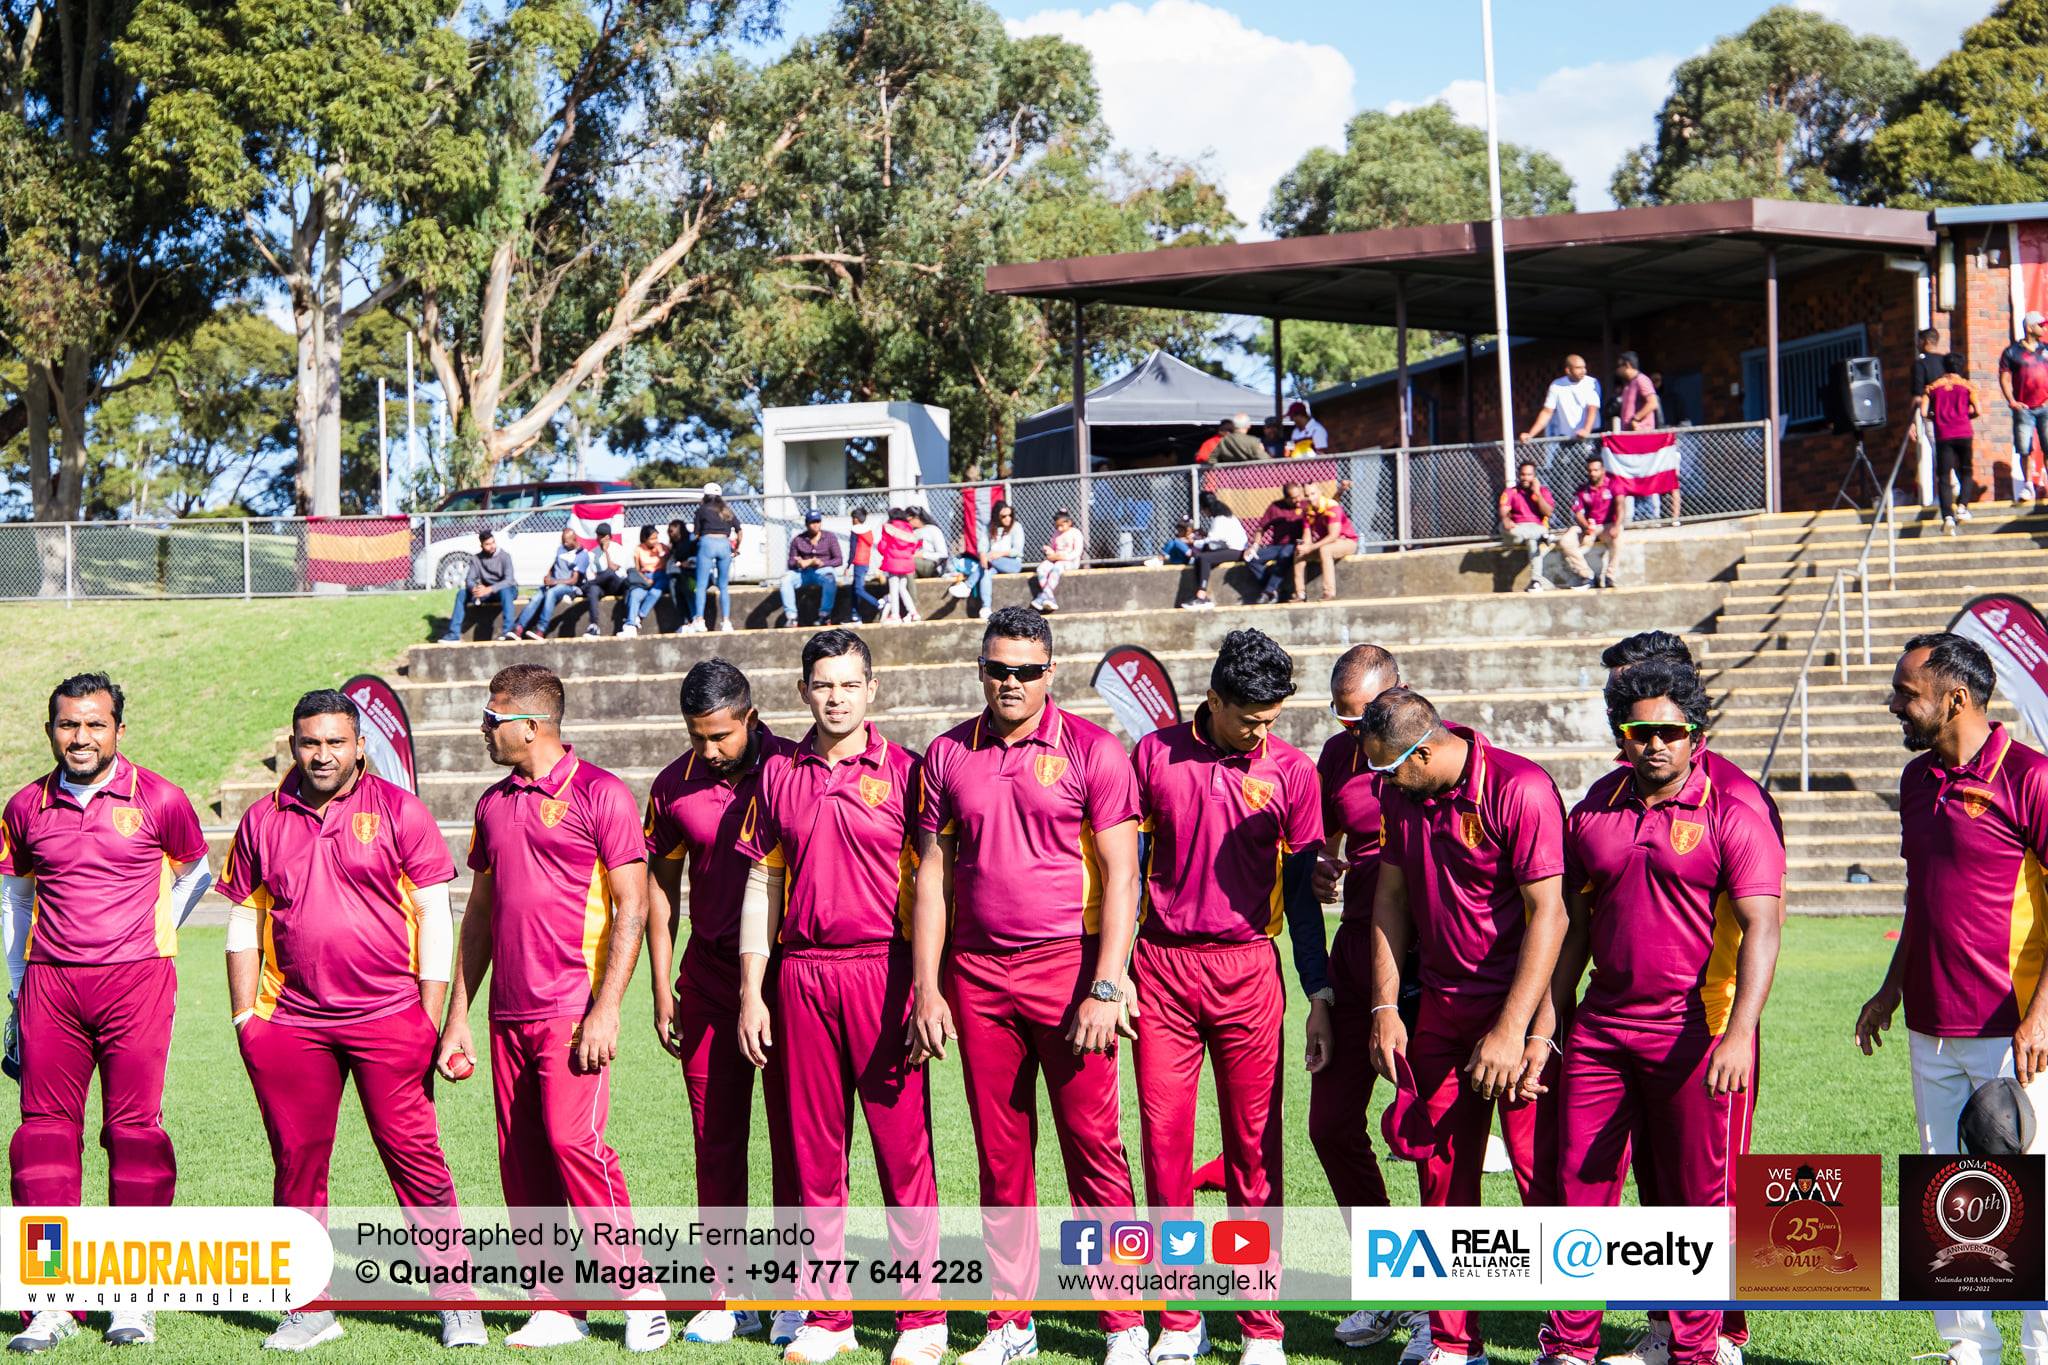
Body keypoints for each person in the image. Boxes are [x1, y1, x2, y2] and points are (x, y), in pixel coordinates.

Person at [907, 607, 1149, 1365]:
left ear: (1051, 671)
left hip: (1068, 971)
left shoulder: (1095, 750)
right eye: (996, 668)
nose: (1008, 682)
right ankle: (1011, 1322)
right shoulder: (946, 753)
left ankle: (1126, 1323)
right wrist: (927, 987)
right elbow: (932, 880)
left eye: (1024, 670)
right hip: (977, 977)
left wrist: (1106, 985)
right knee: (999, 1156)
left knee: (1094, 1151)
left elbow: (1123, 877)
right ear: (981, 667)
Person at [217, 689, 484, 1352]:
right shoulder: (260, 818)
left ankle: (458, 1302)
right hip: (291, 1023)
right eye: (310, 741)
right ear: (293, 743)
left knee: (418, 1160)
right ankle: (309, 1307)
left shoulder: (400, 810)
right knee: (296, 1166)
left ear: (361, 744)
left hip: (390, 1016)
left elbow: (434, 915)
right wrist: (245, 1018)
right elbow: (245, 920)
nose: (323, 753)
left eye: (336, 741)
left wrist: (429, 1015)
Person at [1536, 660, 1783, 1365]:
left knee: (1692, 1202)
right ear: (1624, 733)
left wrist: (1738, 1034)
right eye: (1641, 731)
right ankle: (1569, 1346)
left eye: (1670, 732)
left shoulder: (1733, 812)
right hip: (1602, 1031)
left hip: (1693, 1033)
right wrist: (1550, 1026)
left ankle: (1694, 1349)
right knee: (1579, 1189)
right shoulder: (1593, 808)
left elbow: (1764, 925)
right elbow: (1572, 928)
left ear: (1694, 733)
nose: (1655, 745)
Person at [436, 663, 668, 1352]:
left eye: (493, 715)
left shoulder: (602, 795)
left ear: (531, 726)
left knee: (576, 1143)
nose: (483, 726)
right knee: (523, 1158)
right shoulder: (491, 803)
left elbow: (633, 907)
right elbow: (478, 915)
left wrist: (607, 1008)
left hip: (571, 1010)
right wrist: (458, 1017)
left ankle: (639, 1291)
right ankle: (558, 1304)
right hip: (507, 1013)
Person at [733, 630, 942, 1365]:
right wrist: (751, 991)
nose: (835, 696)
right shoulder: (776, 775)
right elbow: (764, 882)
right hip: (800, 975)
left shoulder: (910, 773)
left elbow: (932, 891)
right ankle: (830, 1315)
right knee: (814, 1154)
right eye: (823, 684)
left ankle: (922, 1317)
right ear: (802, 691)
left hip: (881, 975)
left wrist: (926, 987)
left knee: (901, 1150)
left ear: (872, 690)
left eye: (849, 683)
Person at [1130, 629, 1330, 1365]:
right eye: (1250, 717)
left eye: (1272, 718)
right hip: (1162, 970)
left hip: (1250, 970)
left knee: (1255, 1151)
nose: (1261, 731)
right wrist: (1115, 973)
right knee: (1165, 1147)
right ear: (1212, 699)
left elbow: (1306, 898)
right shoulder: (1153, 755)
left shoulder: (1292, 772)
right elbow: (1129, 873)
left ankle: (1261, 1325)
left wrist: (1319, 989)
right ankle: (1180, 1319)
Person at [2, 674, 210, 1353]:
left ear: (119, 728)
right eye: (68, 724)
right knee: (42, 1143)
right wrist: (15, 986)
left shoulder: (161, 797)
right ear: (50, 729)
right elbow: (16, 897)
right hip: (51, 987)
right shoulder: (25, 805)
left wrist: (153, 933)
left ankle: (132, 1295)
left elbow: (197, 871)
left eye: (95, 724)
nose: (81, 737)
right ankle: (50, 1297)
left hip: (137, 986)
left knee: (136, 1137)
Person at [1855, 633, 2048, 1365]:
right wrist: (1892, 986)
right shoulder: (1914, 780)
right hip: (1930, 1027)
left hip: (2014, 1031)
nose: (1895, 703)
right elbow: (1922, 894)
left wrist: (2041, 1016)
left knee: (2031, 1202)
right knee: (1951, 1198)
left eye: (1907, 691)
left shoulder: (2031, 777)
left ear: (1954, 698)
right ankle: (1970, 1351)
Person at [1362, 689, 1567, 1365]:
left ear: (1423, 752)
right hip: (1442, 1014)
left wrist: (1514, 1031)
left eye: (1388, 771)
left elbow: (1552, 918)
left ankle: (1571, 1343)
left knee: (1547, 1180)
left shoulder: (1521, 788)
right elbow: (1390, 899)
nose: (1380, 786)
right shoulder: (1402, 795)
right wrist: (1386, 1006)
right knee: (1441, 1174)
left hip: (1519, 1012)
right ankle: (1455, 1344)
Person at [642, 660, 800, 1349]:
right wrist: (659, 985)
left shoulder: (795, 770)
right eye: (696, 736)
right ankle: (726, 1293)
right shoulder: (673, 785)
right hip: (706, 982)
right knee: (717, 1140)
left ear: (751, 717)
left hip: (790, 981)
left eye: (719, 736)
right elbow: (659, 887)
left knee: (798, 1143)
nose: (708, 750)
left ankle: (797, 1293)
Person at [1307, 647, 1426, 1356]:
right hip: (1355, 953)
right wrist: (1324, 864)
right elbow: (1328, 842)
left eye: (1365, 719)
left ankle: (1444, 1314)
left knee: (1428, 1138)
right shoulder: (1335, 754)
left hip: (1424, 964)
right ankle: (1392, 1283)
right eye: (1344, 719)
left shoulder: (1429, 746)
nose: (1356, 734)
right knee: (1330, 1125)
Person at [1922, 353, 1982, 535]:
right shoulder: (1968, 386)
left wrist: (1937, 417)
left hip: (1943, 435)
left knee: (1944, 476)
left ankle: (1947, 515)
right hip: (1963, 432)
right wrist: (1965, 415)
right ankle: (1963, 507)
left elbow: (1924, 412)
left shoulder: (1932, 387)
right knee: (1966, 471)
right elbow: (1978, 410)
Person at [1614, 352, 1671, 524]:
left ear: (1628, 365)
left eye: (1620, 366)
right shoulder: (1628, 385)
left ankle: (1653, 516)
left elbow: (1652, 402)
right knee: (1629, 478)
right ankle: (1629, 518)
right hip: (1629, 441)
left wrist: (1636, 419)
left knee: (1648, 476)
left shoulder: (1641, 380)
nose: (1618, 370)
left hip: (1642, 438)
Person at [2001, 311, 2048, 503]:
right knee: (2024, 447)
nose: (2043, 328)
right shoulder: (2012, 352)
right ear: (2029, 328)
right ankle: (2028, 485)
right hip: (2024, 408)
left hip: (2045, 406)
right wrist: (2011, 400)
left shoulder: (2046, 349)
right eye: (2040, 325)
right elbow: (2004, 377)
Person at [684, 483, 742, 635]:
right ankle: (726, 621)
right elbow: (739, 531)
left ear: (705, 495)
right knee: (723, 586)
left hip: (707, 543)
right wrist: (736, 549)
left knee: (701, 585)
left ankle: (700, 620)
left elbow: (696, 534)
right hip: (724, 544)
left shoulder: (702, 510)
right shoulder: (727, 510)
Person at [1559, 455, 1622, 590]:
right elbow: (1578, 512)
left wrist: (1616, 526)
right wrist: (1586, 526)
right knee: (1566, 541)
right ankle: (1587, 576)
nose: (1592, 473)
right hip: (1587, 527)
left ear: (1603, 470)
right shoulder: (1582, 490)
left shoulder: (1613, 484)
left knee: (1619, 537)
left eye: (1596, 470)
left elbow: (1621, 505)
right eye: (1590, 470)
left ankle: (1610, 577)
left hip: (1606, 525)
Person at [514, 528, 590, 640]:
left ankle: (541, 629)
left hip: (568, 587)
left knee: (551, 593)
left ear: (574, 539)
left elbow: (574, 580)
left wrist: (555, 582)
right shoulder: (561, 549)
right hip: (553, 582)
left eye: (566, 541)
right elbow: (554, 565)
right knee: (536, 597)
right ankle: (518, 628)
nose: (564, 544)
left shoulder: (582, 555)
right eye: (563, 541)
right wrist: (548, 576)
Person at [442, 529, 518, 641]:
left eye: (493, 542)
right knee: (462, 593)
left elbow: (509, 580)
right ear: (481, 545)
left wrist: (489, 589)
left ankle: (507, 632)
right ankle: (453, 634)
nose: (492, 546)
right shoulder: (476, 559)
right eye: (487, 544)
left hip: (506, 590)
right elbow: (469, 579)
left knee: (505, 590)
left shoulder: (505, 556)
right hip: (486, 592)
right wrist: (475, 589)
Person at [1181, 491, 1248, 612]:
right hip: (1232, 548)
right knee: (1200, 557)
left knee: (1204, 558)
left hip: (1237, 550)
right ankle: (1201, 595)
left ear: (1207, 508)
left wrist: (1192, 543)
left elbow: (1212, 541)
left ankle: (1202, 598)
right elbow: (1218, 538)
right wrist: (1204, 535)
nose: (1202, 512)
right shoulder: (1224, 515)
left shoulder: (1219, 519)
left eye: (1202, 509)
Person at [1499, 462, 1556, 592]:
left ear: (1534, 476)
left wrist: (1537, 494)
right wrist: (1506, 518)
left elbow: (1548, 512)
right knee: (1503, 526)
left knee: (1532, 542)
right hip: (1517, 529)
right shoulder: (1511, 491)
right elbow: (1503, 509)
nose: (1525, 477)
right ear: (1519, 475)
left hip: (1536, 527)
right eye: (1523, 474)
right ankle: (1543, 538)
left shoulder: (1542, 491)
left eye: (1529, 475)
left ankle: (1536, 581)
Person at [779, 510, 843, 627]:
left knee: (830, 578)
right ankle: (792, 618)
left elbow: (838, 560)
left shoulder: (829, 537)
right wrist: (799, 563)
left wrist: (822, 563)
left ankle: (824, 616)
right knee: (785, 580)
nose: (815, 524)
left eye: (818, 521)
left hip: (822, 571)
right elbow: (791, 562)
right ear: (807, 524)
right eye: (812, 522)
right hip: (803, 573)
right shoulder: (798, 539)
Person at [1520, 355, 1600, 449]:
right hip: (1567, 438)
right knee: (1561, 463)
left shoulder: (1591, 383)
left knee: (1593, 464)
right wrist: (1531, 434)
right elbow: (1547, 412)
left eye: (1584, 367)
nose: (1583, 371)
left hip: (1591, 435)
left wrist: (1586, 430)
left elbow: (1592, 409)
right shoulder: (1556, 385)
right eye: (1578, 368)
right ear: (1568, 370)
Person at [1248, 483, 1307, 605]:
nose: (1298, 500)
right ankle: (1274, 589)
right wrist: (1255, 545)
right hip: (1277, 546)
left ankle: (1267, 592)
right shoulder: (1275, 507)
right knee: (1252, 559)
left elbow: (1326, 506)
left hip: (1296, 544)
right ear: (1286, 498)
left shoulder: (1305, 504)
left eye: (1299, 495)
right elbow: (1261, 528)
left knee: (1284, 554)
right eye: (1294, 498)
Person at [962, 501, 1024, 615]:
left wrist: (998, 554)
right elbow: (982, 546)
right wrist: (983, 556)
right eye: (1004, 516)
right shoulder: (990, 527)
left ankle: (968, 585)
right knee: (986, 572)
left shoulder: (1016, 527)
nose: (1008, 518)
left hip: (1012, 563)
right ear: (997, 516)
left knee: (989, 559)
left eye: (1010, 515)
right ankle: (986, 607)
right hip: (993, 563)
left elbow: (1017, 551)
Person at [1293, 489, 1357, 602]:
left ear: (1320, 493)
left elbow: (1333, 535)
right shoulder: (1308, 511)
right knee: (1299, 553)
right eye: (1307, 495)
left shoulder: (1332, 507)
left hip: (1347, 542)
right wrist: (1304, 547)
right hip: (1326, 543)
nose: (1310, 498)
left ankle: (1329, 593)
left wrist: (1311, 547)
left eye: (1313, 493)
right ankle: (1300, 594)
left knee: (1325, 550)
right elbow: (1307, 536)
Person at [1912, 327, 1947, 508]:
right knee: (1949, 452)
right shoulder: (1946, 362)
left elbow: (1917, 397)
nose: (1917, 345)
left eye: (1919, 341)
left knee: (1937, 453)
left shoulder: (1920, 364)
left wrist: (1912, 423)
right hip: (1952, 415)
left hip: (1932, 416)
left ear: (1925, 342)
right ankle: (1952, 484)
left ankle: (1943, 493)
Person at [580, 522, 632, 637]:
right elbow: (591, 574)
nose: (599, 539)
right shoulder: (592, 553)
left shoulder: (618, 549)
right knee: (593, 589)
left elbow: (614, 568)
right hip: (601, 586)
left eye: (602, 536)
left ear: (608, 536)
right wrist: (595, 578)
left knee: (609, 573)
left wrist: (606, 552)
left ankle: (582, 588)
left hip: (616, 584)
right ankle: (594, 626)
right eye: (598, 535)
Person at [621, 523, 670, 636]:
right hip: (645, 578)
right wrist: (645, 579)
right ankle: (630, 624)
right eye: (651, 538)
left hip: (660, 576)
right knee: (635, 594)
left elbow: (667, 565)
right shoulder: (639, 549)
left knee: (655, 592)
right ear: (644, 538)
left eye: (656, 538)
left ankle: (640, 615)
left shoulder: (662, 547)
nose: (655, 541)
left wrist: (661, 553)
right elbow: (637, 569)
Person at [1032, 508, 1082, 613]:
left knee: (1058, 566)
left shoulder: (1075, 533)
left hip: (1069, 561)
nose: (1059, 528)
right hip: (1056, 559)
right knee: (1042, 568)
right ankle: (1049, 596)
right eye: (1057, 526)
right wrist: (1049, 551)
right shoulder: (1056, 534)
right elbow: (1054, 549)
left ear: (1069, 522)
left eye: (1062, 525)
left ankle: (1042, 597)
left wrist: (1061, 557)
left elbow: (1076, 552)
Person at [878, 508, 922, 624]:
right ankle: (914, 613)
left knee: (893, 589)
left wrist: (885, 552)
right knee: (902, 588)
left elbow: (883, 545)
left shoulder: (888, 527)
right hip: (906, 563)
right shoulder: (908, 528)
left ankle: (895, 615)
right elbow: (914, 546)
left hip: (893, 562)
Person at [846, 507, 883, 624]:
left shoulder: (855, 530)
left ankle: (878, 604)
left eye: (853, 518)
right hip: (865, 562)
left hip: (858, 562)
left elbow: (852, 549)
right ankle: (854, 615)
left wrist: (848, 566)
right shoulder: (868, 531)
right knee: (854, 589)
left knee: (858, 589)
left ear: (856, 519)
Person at [659, 517, 696, 624]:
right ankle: (686, 621)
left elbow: (699, 557)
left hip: (693, 575)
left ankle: (695, 618)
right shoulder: (675, 544)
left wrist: (687, 562)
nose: (670, 534)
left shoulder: (691, 539)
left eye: (671, 531)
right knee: (673, 586)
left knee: (688, 589)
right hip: (678, 575)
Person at [912, 507, 951, 578]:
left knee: (907, 562)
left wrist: (923, 555)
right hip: (916, 565)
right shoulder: (912, 532)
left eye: (909, 520)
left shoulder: (933, 530)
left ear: (917, 518)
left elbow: (943, 555)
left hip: (932, 565)